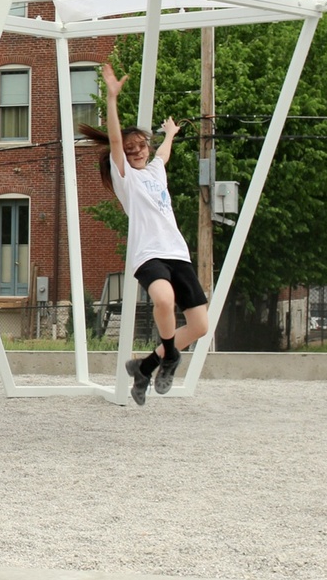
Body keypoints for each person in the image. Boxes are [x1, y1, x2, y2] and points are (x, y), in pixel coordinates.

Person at [81, 63, 209, 406]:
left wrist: (169, 135)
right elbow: (114, 136)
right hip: (149, 254)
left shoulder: (154, 171)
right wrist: (111, 98)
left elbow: (163, 155)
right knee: (164, 301)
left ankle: (146, 365)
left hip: (177, 252)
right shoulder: (125, 176)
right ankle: (168, 358)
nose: (138, 151)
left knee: (199, 326)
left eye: (142, 145)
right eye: (130, 147)